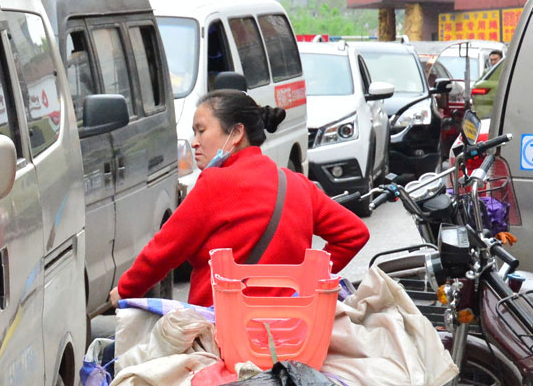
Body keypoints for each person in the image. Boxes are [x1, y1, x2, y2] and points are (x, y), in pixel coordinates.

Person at [110, 85, 370, 308]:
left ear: (236, 133)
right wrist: (310, 282)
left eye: (201, 130)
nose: (195, 142)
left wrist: (124, 290)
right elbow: (354, 233)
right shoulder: (297, 183)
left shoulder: (214, 183)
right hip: (292, 331)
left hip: (221, 336)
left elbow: (163, 251)